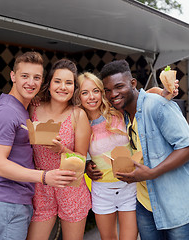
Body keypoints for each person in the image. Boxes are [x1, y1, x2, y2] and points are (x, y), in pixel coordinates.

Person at [99, 59, 189, 240]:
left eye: (118, 87)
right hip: (145, 206)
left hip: (176, 206)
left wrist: (152, 173)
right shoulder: (124, 114)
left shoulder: (157, 105)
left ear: (132, 83)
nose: (113, 94)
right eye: (107, 90)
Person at [0, 52, 76, 240]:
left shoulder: (22, 109)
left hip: (17, 202)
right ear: (13, 76)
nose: (30, 83)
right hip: (7, 203)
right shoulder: (6, 112)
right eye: (25, 76)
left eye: (37, 78)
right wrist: (44, 176)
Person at [27, 59, 92, 240]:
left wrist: (61, 149)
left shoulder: (78, 115)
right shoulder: (34, 106)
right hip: (42, 184)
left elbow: (81, 159)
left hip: (70, 185)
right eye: (58, 81)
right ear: (49, 84)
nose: (63, 87)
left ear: (74, 89)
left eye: (69, 83)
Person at [76, 72, 138, 240]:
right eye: (84, 92)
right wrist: (88, 163)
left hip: (129, 188)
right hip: (102, 192)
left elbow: (145, 95)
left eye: (95, 91)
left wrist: (164, 92)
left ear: (102, 92)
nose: (91, 97)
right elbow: (79, 153)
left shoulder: (119, 112)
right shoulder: (80, 124)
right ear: (78, 97)